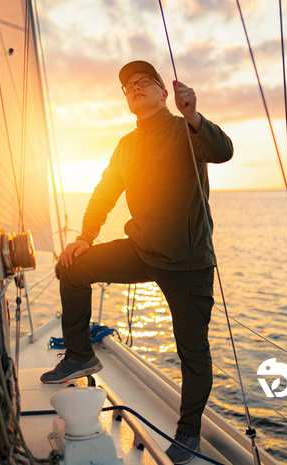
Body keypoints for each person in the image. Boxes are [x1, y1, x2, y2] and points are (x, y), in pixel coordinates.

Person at [40, 60, 233, 464]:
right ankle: (79, 354)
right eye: (129, 86)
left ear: (165, 93)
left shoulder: (187, 130)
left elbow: (223, 152)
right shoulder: (127, 145)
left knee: (192, 351)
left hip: (189, 263)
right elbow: (105, 191)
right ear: (127, 101)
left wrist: (194, 114)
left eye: (146, 82)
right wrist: (85, 237)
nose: (137, 88)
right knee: (72, 268)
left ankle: (188, 432)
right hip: (143, 250)